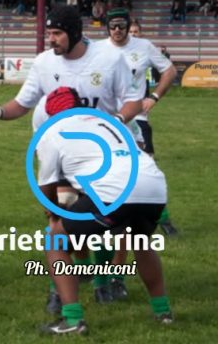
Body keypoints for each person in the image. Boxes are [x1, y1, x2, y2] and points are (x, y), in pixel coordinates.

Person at [0, 5, 142, 313]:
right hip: (62, 154)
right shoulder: (43, 63)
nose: (51, 39)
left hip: (102, 154)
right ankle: (58, 290)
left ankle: (103, 281)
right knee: (61, 216)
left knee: (104, 223)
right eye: (48, 33)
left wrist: (114, 121)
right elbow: (22, 103)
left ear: (75, 33)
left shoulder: (109, 58)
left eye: (57, 33)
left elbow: (133, 101)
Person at [36, 87, 173, 335]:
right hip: (153, 186)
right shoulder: (109, 121)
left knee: (55, 241)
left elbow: (46, 185)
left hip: (113, 191)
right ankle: (163, 312)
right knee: (141, 242)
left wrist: (54, 213)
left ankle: (72, 319)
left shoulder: (52, 131)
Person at [100, 10, 179, 243]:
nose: (117, 30)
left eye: (121, 25)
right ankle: (111, 218)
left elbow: (169, 71)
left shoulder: (143, 46)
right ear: (107, 27)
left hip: (136, 118)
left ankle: (162, 219)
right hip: (109, 120)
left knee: (147, 168)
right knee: (108, 168)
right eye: (112, 26)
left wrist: (153, 97)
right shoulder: (98, 49)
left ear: (127, 26)